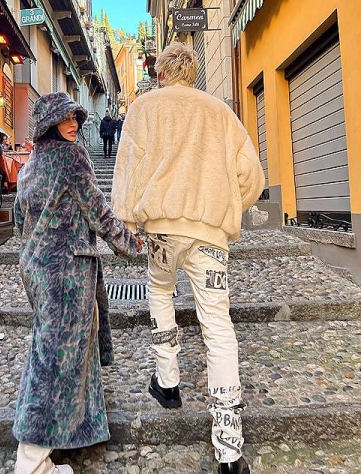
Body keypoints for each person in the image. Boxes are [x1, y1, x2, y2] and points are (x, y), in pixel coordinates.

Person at [111, 42, 265, 474]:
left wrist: (128, 218)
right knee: (217, 323)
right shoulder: (220, 112)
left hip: (162, 229)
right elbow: (252, 176)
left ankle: (168, 382)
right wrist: (228, 204)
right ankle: (229, 450)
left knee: (160, 292)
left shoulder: (144, 108)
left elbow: (128, 168)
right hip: (209, 233)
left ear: (160, 73)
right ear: (193, 73)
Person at [12, 92, 142, 474]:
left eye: (76, 118)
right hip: (66, 273)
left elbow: (19, 218)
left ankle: (77, 428)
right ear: (49, 122)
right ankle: (32, 461)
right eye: (66, 117)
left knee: (64, 349)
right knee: (55, 359)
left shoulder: (31, 163)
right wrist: (132, 244)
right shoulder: (72, 157)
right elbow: (98, 210)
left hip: (37, 269)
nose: (74, 124)